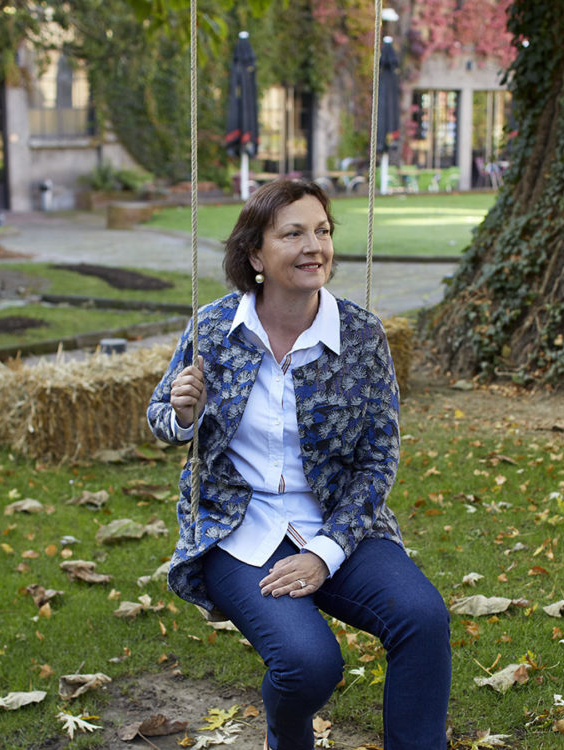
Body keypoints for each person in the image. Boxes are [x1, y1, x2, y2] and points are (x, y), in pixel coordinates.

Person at [147, 179, 450, 749]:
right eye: (293, 234)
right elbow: (162, 420)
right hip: (238, 527)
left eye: (322, 231)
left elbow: (378, 459)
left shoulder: (361, 336)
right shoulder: (214, 328)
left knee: (422, 617)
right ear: (255, 254)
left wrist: (324, 553)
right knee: (309, 666)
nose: (315, 246)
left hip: (337, 522)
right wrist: (184, 414)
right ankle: (284, 734)